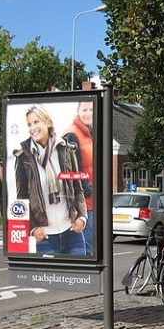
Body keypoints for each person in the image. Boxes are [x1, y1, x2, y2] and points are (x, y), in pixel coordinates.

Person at [13, 105, 87, 255]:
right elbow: (22, 199)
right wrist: (33, 229)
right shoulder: (23, 158)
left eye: (36, 122)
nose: (32, 128)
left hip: (72, 233)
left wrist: (82, 217)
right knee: (50, 278)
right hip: (46, 237)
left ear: (47, 122)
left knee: (79, 277)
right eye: (29, 124)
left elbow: (78, 189)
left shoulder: (66, 150)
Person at [63, 101, 95, 255]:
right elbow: (70, 170)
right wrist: (89, 190)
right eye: (84, 110)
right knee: (87, 252)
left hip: (92, 205)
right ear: (78, 111)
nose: (88, 113)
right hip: (84, 207)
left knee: (91, 250)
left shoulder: (89, 134)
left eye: (91, 109)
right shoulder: (72, 135)